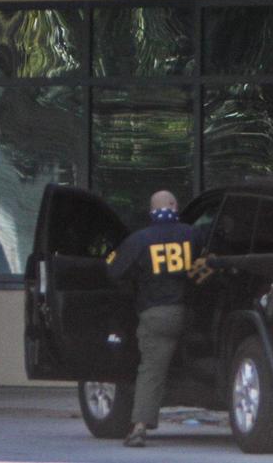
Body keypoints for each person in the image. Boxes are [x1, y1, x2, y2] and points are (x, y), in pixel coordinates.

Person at [106, 190, 205, 448]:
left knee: (151, 370)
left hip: (155, 315)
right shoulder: (193, 234)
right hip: (191, 316)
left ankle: (140, 427)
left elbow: (114, 271)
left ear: (152, 211)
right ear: (175, 206)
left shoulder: (140, 240)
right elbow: (208, 263)